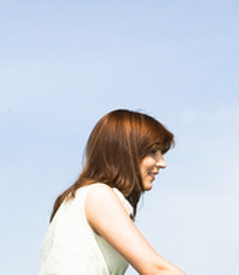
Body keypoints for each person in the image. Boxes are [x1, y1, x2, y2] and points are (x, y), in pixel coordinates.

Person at [39, 109, 187, 275]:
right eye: (153, 152)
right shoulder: (98, 196)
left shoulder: (80, 198)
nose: (162, 163)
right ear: (126, 151)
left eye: (162, 153)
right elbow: (156, 269)